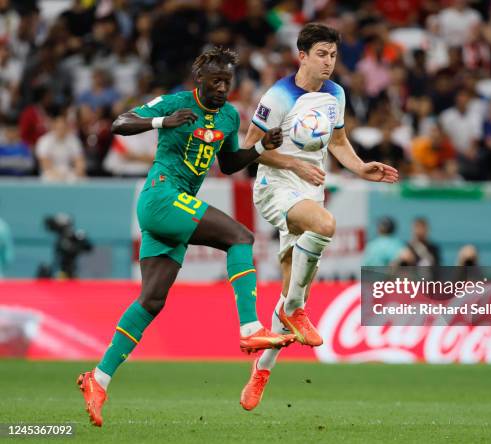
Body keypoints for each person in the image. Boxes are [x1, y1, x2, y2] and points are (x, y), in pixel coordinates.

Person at [76, 47, 295, 428]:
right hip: (160, 196)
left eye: (228, 81)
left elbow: (227, 164)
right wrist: (162, 121)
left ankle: (99, 379)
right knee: (240, 237)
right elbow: (119, 123)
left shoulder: (228, 116)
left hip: (177, 206)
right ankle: (249, 329)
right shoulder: (176, 103)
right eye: (216, 81)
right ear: (200, 80)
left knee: (151, 300)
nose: (223, 88)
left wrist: (259, 147)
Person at [239, 23, 399, 411]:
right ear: (303, 55)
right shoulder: (278, 96)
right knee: (326, 224)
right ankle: (294, 311)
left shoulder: (336, 94)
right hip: (276, 185)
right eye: (321, 55)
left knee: (295, 287)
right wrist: (293, 163)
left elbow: (339, 142)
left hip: (312, 186)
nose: (328, 63)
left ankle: (262, 370)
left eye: (333, 55)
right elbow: (248, 150)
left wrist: (360, 168)